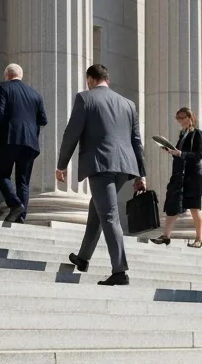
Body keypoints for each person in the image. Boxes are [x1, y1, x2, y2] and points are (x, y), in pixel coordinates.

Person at [56, 64, 146, 286]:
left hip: (100, 164)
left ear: (90, 79)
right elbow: (137, 141)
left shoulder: (85, 99)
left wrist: (62, 164)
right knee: (97, 209)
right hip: (124, 167)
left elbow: (71, 134)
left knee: (108, 215)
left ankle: (120, 271)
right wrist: (141, 174)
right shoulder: (128, 104)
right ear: (107, 78)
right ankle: (83, 258)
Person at [0, 63, 47, 223]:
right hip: (30, 143)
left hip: (9, 138)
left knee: (1, 174)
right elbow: (43, 120)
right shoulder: (36, 95)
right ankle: (20, 217)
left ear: (7, 75)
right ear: (21, 75)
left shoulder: (3, 87)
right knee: (23, 182)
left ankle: (15, 204)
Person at [157, 107, 202, 247]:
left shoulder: (198, 134)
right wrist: (171, 151)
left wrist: (181, 154)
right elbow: (180, 154)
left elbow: (198, 156)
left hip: (193, 177)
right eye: (179, 118)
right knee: (172, 205)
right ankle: (166, 236)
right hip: (180, 176)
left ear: (191, 117)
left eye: (184, 117)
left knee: (194, 209)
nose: (182, 121)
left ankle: (199, 239)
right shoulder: (182, 135)